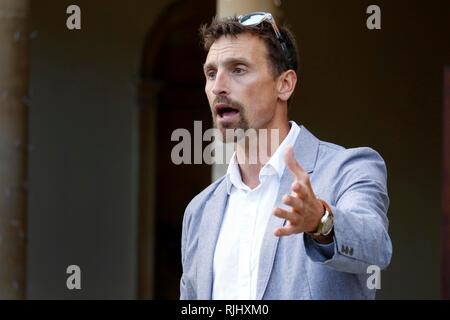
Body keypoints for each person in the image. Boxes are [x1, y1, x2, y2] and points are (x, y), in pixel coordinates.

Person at [180, 12, 392, 300]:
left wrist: (321, 222)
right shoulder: (199, 210)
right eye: (211, 73)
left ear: (285, 84)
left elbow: (376, 245)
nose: (218, 86)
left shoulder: (349, 168)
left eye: (238, 69)